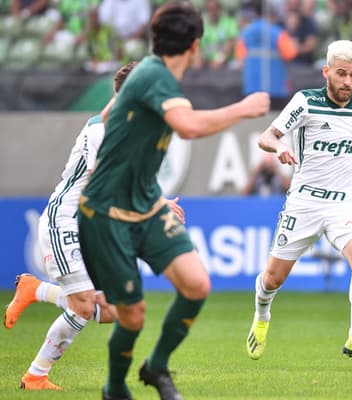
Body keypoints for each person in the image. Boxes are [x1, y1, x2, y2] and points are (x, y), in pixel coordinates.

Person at [76, 2, 269, 400]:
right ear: (196, 45)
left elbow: (110, 115)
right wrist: (244, 109)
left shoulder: (148, 74)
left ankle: (156, 366)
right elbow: (188, 127)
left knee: (197, 284)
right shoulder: (155, 77)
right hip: (106, 213)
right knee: (132, 315)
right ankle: (114, 389)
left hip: (145, 204)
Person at [245, 39, 352, 361]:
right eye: (342, 74)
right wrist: (279, 148)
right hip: (304, 202)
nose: (348, 82)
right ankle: (262, 314)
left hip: (345, 203)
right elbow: (267, 136)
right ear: (326, 72)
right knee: (272, 279)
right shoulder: (305, 102)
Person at [2, 62, 152, 391]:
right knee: (83, 305)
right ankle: (35, 375)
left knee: (113, 311)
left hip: (89, 225)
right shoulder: (100, 129)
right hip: (65, 219)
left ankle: (35, 290)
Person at [235, 0, 298, 110]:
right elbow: (290, 53)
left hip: (252, 86)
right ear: (271, 15)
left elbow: (240, 56)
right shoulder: (278, 33)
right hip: (275, 87)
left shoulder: (246, 32)